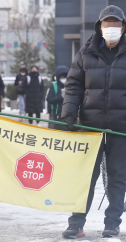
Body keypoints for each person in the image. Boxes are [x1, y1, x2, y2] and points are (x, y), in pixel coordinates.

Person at [61, 5, 126, 239]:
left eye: (116, 24)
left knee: (118, 176)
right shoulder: (85, 53)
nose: (112, 28)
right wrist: (69, 112)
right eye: (107, 24)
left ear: (123, 27)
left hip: (121, 128)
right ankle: (76, 223)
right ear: (100, 27)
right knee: (86, 176)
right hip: (91, 126)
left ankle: (112, 223)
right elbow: (73, 85)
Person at [46, 65, 69, 130]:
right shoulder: (54, 85)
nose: (63, 79)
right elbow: (49, 99)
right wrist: (61, 97)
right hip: (57, 114)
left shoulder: (71, 85)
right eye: (61, 77)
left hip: (69, 113)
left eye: (65, 77)